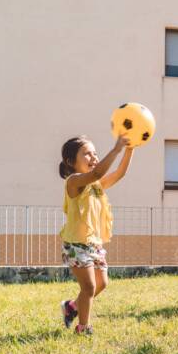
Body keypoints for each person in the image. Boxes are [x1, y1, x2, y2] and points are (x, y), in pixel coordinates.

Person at [58, 135, 133, 334]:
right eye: (87, 154)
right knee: (89, 287)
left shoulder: (96, 184)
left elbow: (120, 173)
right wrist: (116, 149)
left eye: (95, 153)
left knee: (101, 284)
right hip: (76, 244)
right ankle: (83, 328)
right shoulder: (73, 181)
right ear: (70, 161)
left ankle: (72, 307)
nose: (93, 157)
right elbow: (97, 172)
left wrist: (130, 149)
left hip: (94, 243)